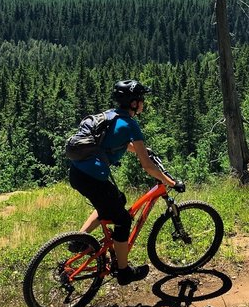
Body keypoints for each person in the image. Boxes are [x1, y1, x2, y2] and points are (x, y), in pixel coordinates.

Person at [68, 79, 177, 285]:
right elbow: (148, 166)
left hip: (77, 173)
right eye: (141, 99)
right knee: (123, 219)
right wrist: (170, 182)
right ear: (134, 103)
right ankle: (124, 271)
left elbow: (114, 143)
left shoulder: (110, 115)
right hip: (93, 178)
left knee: (116, 200)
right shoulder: (130, 124)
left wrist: (140, 149)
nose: (143, 103)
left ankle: (79, 239)